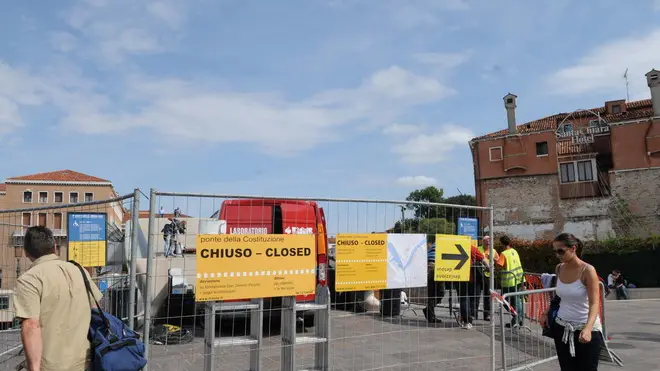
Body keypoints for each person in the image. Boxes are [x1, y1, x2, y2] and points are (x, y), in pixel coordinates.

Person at [14, 226, 103, 371]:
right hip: (85, 360)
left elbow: (31, 325)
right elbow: (95, 309)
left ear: (26, 252)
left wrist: (34, 368)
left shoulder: (29, 279)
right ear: (55, 247)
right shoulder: (79, 270)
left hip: (50, 365)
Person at [541, 233, 603, 371]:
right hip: (562, 327)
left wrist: (587, 329)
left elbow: (594, 303)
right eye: (555, 251)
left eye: (561, 251)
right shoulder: (559, 268)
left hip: (585, 330)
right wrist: (546, 313)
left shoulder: (588, 270)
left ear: (573, 248)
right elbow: (558, 297)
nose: (558, 255)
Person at [495, 235, 525, 328]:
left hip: (509, 282)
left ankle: (517, 319)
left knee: (505, 302)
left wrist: (495, 262)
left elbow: (499, 266)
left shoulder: (504, 254)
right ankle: (517, 319)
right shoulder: (514, 251)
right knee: (517, 301)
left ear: (502, 244)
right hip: (519, 279)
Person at [457, 243, 486, 329]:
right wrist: (489, 267)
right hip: (471, 278)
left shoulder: (452, 247)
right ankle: (470, 319)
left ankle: (465, 320)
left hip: (458, 277)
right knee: (472, 299)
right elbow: (483, 258)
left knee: (463, 298)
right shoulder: (471, 247)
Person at [424, 234, 444, 323]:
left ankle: (429, 310)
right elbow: (430, 258)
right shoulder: (437, 245)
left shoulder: (436, 246)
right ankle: (431, 315)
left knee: (439, 293)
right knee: (436, 293)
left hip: (438, 271)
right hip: (433, 270)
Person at [477, 235, 498, 321]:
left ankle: (487, 315)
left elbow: (498, 260)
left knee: (487, 295)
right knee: (476, 294)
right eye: (486, 242)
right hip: (478, 273)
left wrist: (492, 259)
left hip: (489, 276)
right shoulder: (478, 249)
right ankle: (474, 314)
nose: (488, 243)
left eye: (489, 242)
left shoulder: (493, 251)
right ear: (483, 242)